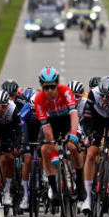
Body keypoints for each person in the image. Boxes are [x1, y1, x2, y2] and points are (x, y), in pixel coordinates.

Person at [78, 76, 109, 214]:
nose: (105, 99)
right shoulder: (93, 94)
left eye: (108, 96)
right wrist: (88, 135)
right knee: (91, 154)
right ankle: (87, 198)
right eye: (103, 96)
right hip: (97, 119)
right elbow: (86, 118)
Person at [32, 66, 81, 205]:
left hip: (66, 120)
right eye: (46, 88)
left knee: (73, 146)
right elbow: (46, 128)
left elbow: (74, 114)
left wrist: (73, 133)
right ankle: (54, 190)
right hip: (52, 123)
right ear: (41, 86)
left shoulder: (65, 91)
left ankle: (79, 181)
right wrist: (53, 147)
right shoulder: (39, 99)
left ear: (57, 84)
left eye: (52, 87)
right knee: (44, 150)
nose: (50, 91)